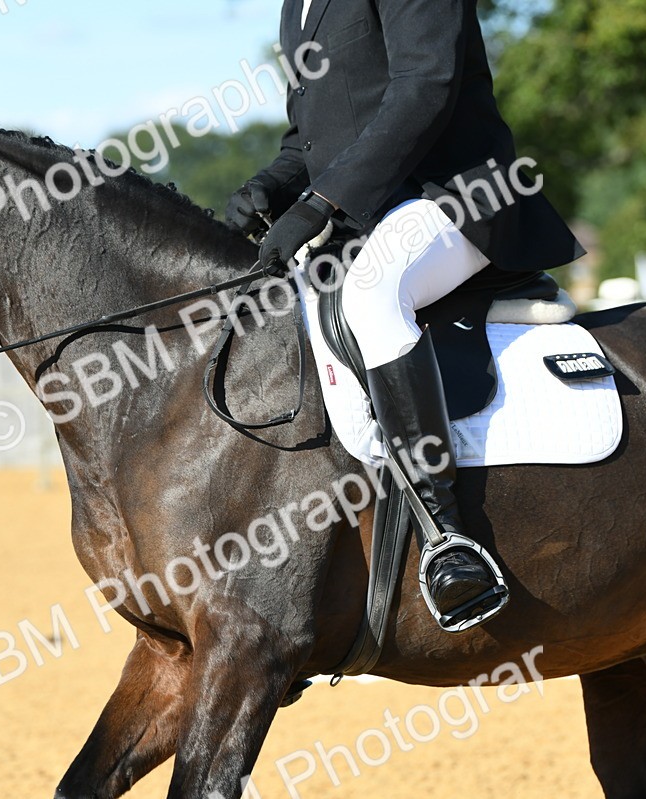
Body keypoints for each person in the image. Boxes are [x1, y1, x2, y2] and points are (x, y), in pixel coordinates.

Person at [224, 0, 585, 630]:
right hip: (370, 212)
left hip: (459, 194)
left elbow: (426, 87)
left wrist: (320, 204)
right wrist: (274, 185)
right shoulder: (296, 7)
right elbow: (312, 136)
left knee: (371, 293)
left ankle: (449, 538)